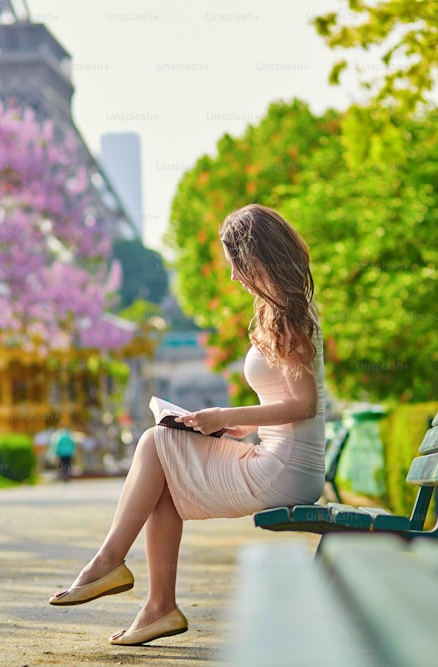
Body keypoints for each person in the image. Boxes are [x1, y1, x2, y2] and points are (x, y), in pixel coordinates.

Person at [47, 204, 325, 646]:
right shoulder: (282, 309)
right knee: (162, 468)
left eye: (235, 265)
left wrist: (223, 416)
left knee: (156, 442)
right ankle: (157, 606)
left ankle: (112, 564)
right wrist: (237, 430)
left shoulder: (288, 312)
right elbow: (287, 405)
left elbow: (304, 405)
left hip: (285, 472)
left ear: (255, 258)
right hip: (281, 459)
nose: (233, 277)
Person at [48, 418, 76, 482]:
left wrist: (53, 454)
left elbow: (54, 445)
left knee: (62, 464)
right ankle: (67, 476)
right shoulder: (68, 433)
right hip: (68, 452)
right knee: (68, 464)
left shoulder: (57, 434)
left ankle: (63, 476)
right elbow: (72, 443)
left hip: (60, 452)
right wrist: (73, 451)